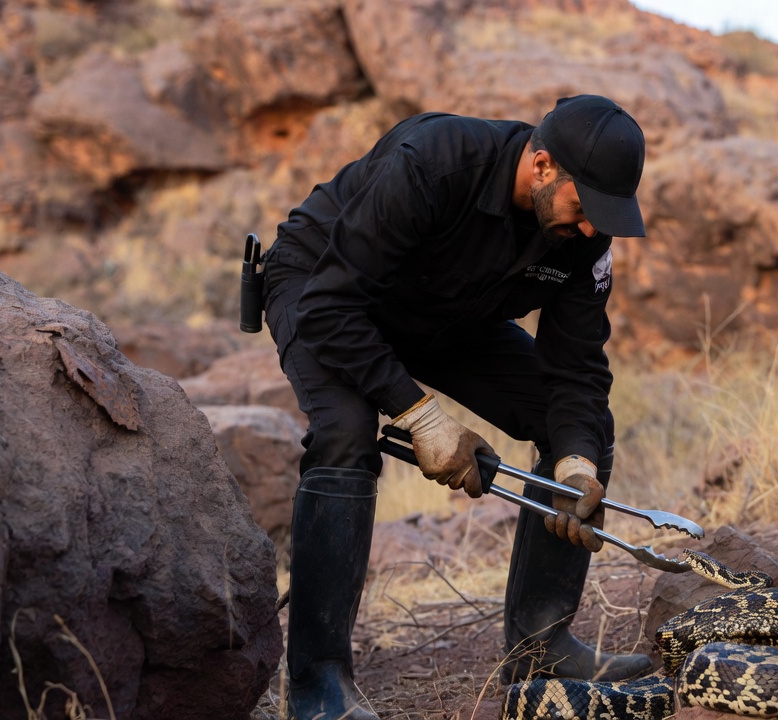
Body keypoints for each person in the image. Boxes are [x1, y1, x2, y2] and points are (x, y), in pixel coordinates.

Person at [260, 95, 651, 720]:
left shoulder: (585, 239)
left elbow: (577, 368)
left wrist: (575, 461)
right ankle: (319, 686)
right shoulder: (433, 164)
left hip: (445, 317)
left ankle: (540, 649)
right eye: (585, 208)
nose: (589, 229)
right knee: (346, 430)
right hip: (323, 286)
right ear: (543, 165)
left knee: (581, 424)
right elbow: (332, 308)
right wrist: (421, 416)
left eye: (604, 217)